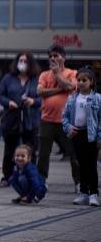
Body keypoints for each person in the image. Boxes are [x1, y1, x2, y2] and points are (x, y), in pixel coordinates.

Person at [37, 45, 80, 195]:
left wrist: (57, 74)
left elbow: (70, 86)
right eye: (50, 56)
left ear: (64, 57)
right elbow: (40, 92)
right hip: (47, 120)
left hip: (66, 121)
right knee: (43, 154)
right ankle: (41, 181)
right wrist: (61, 89)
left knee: (74, 154)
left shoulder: (72, 73)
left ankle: (79, 182)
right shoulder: (44, 75)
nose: (53, 58)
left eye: (56, 55)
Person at [0, 52, 42, 187]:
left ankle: (31, 176)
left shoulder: (37, 79)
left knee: (31, 150)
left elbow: (43, 98)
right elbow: (1, 95)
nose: (22, 63)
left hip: (31, 120)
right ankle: (7, 176)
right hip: (11, 119)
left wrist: (33, 101)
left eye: (25, 61)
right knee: (10, 150)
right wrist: (8, 102)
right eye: (20, 60)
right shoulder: (8, 78)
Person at [61, 67, 100, 206]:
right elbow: (64, 117)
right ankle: (83, 193)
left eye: (84, 80)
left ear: (91, 82)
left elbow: (100, 120)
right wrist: (68, 128)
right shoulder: (72, 98)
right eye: (79, 80)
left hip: (91, 135)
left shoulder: (97, 98)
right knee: (81, 165)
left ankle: (94, 193)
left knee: (91, 165)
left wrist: (99, 138)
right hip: (77, 134)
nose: (81, 82)